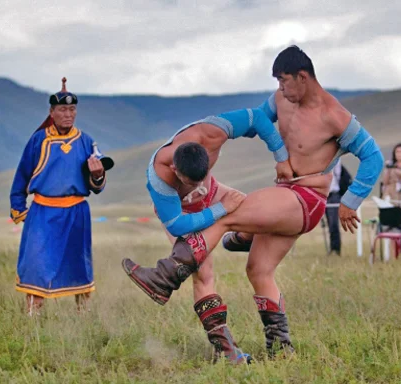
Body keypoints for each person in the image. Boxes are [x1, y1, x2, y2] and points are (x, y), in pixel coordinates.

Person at [123, 45, 384, 358]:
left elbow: (373, 156)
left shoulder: (335, 116)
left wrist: (351, 200)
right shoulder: (281, 101)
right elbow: (258, 120)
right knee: (258, 271)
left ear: (303, 77)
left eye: (284, 81)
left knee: (224, 214)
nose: (280, 90)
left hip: (307, 198)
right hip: (285, 196)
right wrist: (280, 156)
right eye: (277, 82)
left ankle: (166, 275)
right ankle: (281, 350)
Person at [122, 99, 292, 364]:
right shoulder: (160, 176)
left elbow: (257, 117)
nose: (196, 185)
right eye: (190, 182)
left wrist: (281, 158)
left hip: (215, 194)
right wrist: (221, 210)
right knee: (203, 272)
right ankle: (227, 354)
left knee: (260, 212)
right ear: (175, 169)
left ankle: (241, 239)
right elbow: (177, 225)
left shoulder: (211, 131)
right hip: (184, 212)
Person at [9, 78, 112, 316]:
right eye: (63, 109)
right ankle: (32, 318)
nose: (68, 114)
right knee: (36, 264)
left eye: (72, 109)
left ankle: (83, 317)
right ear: (52, 112)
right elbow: (22, 175)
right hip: (42, 212)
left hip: (76, 212)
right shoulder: (38, 140)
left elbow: (97, 186)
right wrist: (18, 207)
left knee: (78, 264)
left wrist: (97, 174)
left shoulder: (86, 141)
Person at [324, 161, 351, 256]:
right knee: (329, 223)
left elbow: (338, 175)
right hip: (324, 195)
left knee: (334, 224)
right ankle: (332, 247)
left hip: (333, 195)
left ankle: (336, 248)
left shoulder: (336, 161)